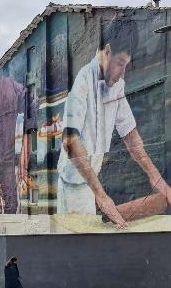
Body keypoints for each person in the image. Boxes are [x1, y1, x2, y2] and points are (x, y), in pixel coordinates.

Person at [58, 19, 171, 227]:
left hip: (92, 179)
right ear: (107, 51)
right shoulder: (83, 80)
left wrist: (156, 179)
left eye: (126, 66)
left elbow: (130, 135)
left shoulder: (117, 85)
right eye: (120, 64)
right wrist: (101, 197)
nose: (122, 73)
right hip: (74, 184)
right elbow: (70, 141)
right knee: (86, 243)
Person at [0, 74, 38, 214]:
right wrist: (27, 146)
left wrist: (26, 148)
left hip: (1, 162)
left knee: (3, 203)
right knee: (8, 202)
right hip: (5, 162)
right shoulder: (7, 87)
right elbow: (33, 102)